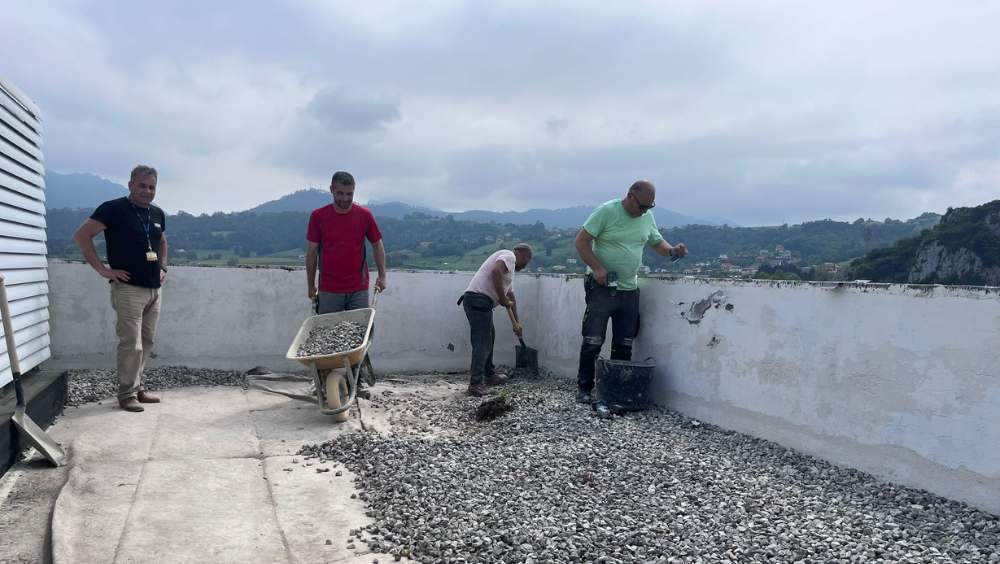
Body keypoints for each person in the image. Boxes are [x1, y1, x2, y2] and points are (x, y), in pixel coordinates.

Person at [573, 180, 688, 404]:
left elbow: (656, 242)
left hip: (629, 289)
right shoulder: (607, 211)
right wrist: (597, 268)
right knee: (593, 340)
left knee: (624, 343)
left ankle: (614, 390)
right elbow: (581, 241)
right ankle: (585, 388)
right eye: (642, 206)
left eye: (649, 207)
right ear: (630, 196)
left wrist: (673, 250)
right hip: (602, 287)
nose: (644, 211)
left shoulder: (646, 217)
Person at [73, 165, 168, 412]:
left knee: (147, 341)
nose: (147, 191)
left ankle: (137, 389)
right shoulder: (113, 209)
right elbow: (82, 236)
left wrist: (164, 267)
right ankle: (126, 395)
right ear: (130, 185)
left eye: (152, 187)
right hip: (128, 289)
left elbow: (163, 242)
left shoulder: (157, 214)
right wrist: (104, 270)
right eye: (142, 185)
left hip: (154, 289)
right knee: (131, 344)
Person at [305, 171, 386, 392]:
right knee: (325, 336)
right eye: (340, 193)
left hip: (358, 288)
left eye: (349, 194)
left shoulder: (364, 215)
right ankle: (321, 381)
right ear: (331, 189)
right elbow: (311, 253)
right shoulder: (319, 216)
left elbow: (377, 244)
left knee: (357, 338)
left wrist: (382, 275)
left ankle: (356, 382)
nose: (344, 198)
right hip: (329, 288)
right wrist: (311, 284)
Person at [458, 244, 533, 397]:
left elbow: (511, 297)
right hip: (478, 300)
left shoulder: (509, 273)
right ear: (523, 256)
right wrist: (501, 297)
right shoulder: (509, 256)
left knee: (489, 338)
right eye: (527, 260)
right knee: (482, 343)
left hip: (481, 302)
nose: (526, 265)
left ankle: (489, 375)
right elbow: (495, 271)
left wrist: (517, 323)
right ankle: (475, 384)